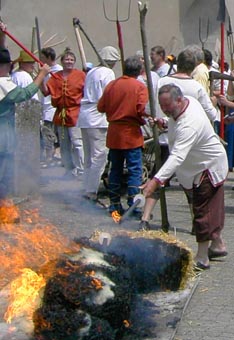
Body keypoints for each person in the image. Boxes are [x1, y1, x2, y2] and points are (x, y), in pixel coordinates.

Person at [142, 84, 228, 270]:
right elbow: (174, 122)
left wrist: (156, 180)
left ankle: (202, 257)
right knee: (211, 208)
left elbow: (177, 156)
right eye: (162, 106)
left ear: (179, 100)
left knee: (202, 211)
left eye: (168, 106)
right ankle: (218, 245)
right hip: (196, 166)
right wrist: (164, 122)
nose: (165, 110)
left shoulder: (190, 123)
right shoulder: (186, 106)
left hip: (206, 167)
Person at [139, 49, 218, 231]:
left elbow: (151, 107)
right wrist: (213, 101)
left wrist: (157, 121)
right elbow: (211, 115)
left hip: (166, 137)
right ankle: (194, 222)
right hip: (185, 140)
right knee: (189, 182)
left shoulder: (163, 80)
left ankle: (145, 218)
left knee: (159, 176)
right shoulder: (196, 87)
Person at [97, 56, 149, 218]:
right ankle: (134, 206)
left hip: (114, 133)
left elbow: (101, 107)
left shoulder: (112, 85)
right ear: (140, 71)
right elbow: (141, 109)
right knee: (135, 170)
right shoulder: (139, 87)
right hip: (131, 133)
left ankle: (114, 203)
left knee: (115, 169)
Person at [0, 46, 50, 199]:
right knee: (3, 177)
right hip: (3, 137)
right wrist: (41, 75)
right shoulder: (2, 83)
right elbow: (24, 94)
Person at [77, 46, 120, 202]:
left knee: (89, 156)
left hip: (85, 116)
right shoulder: (108, 73)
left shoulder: (91, 72)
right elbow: (109, 94)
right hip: (97, 116)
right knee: (99, 156)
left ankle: (86, 185)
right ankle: (91, 190)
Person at [41, 48, 85, 177]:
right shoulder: (56, 76)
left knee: (77, 143)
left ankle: (81, 170)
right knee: (64, 144)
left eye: (71, 60)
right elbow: (45, 92)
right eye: (67, 59)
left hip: (75, 113)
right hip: (61, 115)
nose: (69, 62)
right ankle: (69, 169)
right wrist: (41, 77)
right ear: (62, 61)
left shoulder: (81, 75)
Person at [40, 47, 63, 167]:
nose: (40, 59)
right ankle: (50, 157)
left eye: (42, 57)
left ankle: (51, 157)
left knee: (51, 134)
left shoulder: (58, 71)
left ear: (49, 57)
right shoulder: (45, 71)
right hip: (46, 107)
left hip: (53, 108)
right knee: (48, 134)